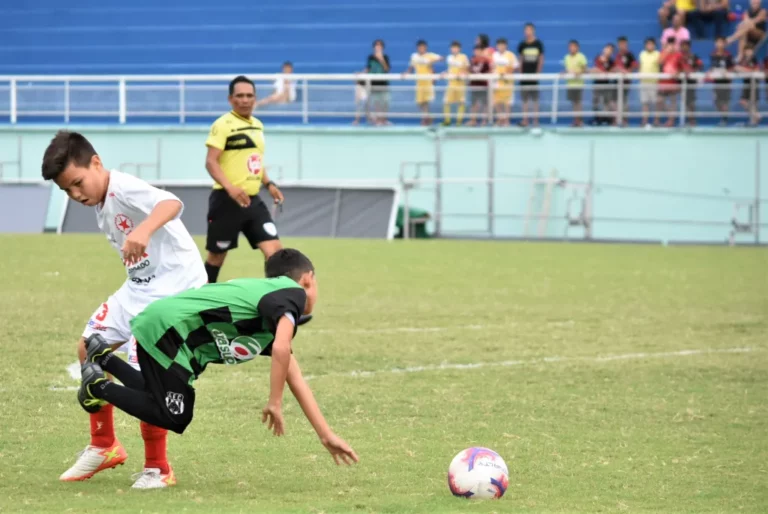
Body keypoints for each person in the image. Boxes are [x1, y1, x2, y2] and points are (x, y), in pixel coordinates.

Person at [77, 249, 360, 467]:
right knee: (176, 415)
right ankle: (97, 387)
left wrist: (325, 434)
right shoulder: (292, 294)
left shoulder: (265, 311)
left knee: (157, 396)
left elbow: (293, 375)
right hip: (168, 329)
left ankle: (104, 359)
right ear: (308, 278)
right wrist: (275, 402)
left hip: (169, 332)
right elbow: (281, 350)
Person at [42, 130, 208, 488]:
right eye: (66, 190)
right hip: (141, 287)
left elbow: (172, 203)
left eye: (77, 183)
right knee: (89, 346)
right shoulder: (100, 200)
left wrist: (145, 229)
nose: (75, 194)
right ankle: (104, 445)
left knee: (144, 368)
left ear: (97, 163)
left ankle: (158, 468)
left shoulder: (122, 187)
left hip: (176, 287)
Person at [204, 76, 284, 285]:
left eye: (249, 96)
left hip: (252, 200)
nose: (245, 100)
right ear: (231, 99)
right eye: (240, 96)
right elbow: (211, 162)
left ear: (255, 99)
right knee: (217, 257)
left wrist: (269, 184)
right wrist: (230, 188)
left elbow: (255, 161)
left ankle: (280, 305)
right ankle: (199, 303)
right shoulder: (223, 125)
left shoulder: (258, 126)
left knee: (275, 252)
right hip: (226, 201)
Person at [404, 40, 443, 125]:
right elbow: (411, 67)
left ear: (426, 48)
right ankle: (428, 118)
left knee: (426, 101)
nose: (421, 49)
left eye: (423, 47)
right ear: (417, 48)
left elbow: (442, 58)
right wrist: (406, 73)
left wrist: (432, 62)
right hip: (419, 83)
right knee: (419, 102)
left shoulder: (430, 55)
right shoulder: (414, 56)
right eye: (420, 47)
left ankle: (425, 119)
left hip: (428, 83)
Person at [517, 23, 545, 127]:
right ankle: (525, 120)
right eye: (526, 30)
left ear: (533, 31)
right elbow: (520, 59)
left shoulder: (538, 44)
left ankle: (536, 121)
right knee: (524, 99)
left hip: (534, 76)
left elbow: (541, 59)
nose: (528, 32)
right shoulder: (522, 45)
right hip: (524, 76)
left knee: (535, 99)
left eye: (530, 30)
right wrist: (520, 73)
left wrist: (538, 73)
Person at [362, 40, 392, 125]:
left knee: (385, 102)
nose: (378, 47)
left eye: (380, 46)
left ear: (382, 48)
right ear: (374, 47)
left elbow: (387, 69)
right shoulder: (370, 57)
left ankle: (384, 120)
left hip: (384, 84)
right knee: (376, 103)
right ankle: (378, 120)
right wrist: (361, 73)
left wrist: (381, 59)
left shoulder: (386, 57)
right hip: (374, 84)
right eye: (376, 45)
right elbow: (368, 68)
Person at [491, 38, 519, 126]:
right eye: (499, 45)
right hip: (496, 82)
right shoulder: (494, 55)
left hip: (507, 82)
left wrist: (508, 71)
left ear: (506, 46)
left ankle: (507, 120)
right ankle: (500, 118)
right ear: (497, 46)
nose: (501, 47)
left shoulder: (511, 55)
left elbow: (516, 67)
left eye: (503, 45)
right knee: (496, 101)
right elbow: (491, 66)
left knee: (507, 102)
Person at [442, 41, 469, 126]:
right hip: (451, 84)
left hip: (460, 84)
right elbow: (450, 69)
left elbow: (467, 68)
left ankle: (459, 121)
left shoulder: (463, 57)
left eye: (456, 48)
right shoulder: (449, 57)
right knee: (446, 102)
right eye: (453, 48)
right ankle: (447, 121)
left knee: (461, 102)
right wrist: (444, 72)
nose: (454, 49)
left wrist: (462, 73)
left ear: (459, 49)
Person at [709, 35, 735, 126]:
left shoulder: (728, 55)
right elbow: (712, 67)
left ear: (724, 44)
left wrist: (727, 72)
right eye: (717, 42)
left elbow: (732, 68)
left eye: (721, 42)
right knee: (716, 101)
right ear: (715, 44)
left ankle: (724, 120)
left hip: (726, 82)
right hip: (717, 82)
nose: (719, 44)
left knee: (725, 102)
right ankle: (723, 117)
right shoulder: (713, 54)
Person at [659, 37, 684, 127]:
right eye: (670, 43)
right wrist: (666, 52)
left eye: (673, 44)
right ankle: (670, 116)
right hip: (663, 82)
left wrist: (678, 72)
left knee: (673, 102)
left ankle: (671, 121)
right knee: (660, 100)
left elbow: (682, 68)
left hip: (673, 82)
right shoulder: (663, 53)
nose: (672, 46)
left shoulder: (678, 55)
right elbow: (659, 62)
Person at [562, 40, 588, 127]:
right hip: (570, 84)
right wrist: (563, 72)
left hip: (579, 84)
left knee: (578, 103)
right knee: (573, 103)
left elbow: (585, 69)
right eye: (570, 46)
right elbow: (568, 69)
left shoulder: (581, 57)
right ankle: (575, 120)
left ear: (577, 47)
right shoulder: (567, 57)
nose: (572, 48)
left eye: (574, 46)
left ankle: (580, 121)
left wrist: (579, 72)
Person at [614, 36, 638, 126]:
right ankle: (616, 120)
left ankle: (625, 120)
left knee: (624, 102)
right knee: (616, 102)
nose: (622, 46)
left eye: (624, 44)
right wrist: (619, 70)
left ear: (627, 44)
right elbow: (614, 66)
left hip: (626, 82)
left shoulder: (630, 55)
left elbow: (635, 65)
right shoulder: (616, 55)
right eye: (620, 44)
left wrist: (628, 71)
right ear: (618, 44)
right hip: (616, 82)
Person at [679, 40, 704, 126]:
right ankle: (685, 120)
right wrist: (682, 71)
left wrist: (692, 70)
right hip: (679, 82)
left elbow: (700, 66)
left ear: (689, 47)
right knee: (684, 102)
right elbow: (675, 67)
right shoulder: (678, 57)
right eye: (682, 46)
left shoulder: (693, 57)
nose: (684, 47)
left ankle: (692, 120)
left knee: (691, 102)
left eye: (686, 46)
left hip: (691, 83)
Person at [591, 43, 616, 126]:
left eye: (610, 50)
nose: (608, 51)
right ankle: (597, 118)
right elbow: (596, 69)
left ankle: (608, 119)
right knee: (596, 102)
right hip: (597, 84)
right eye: (607, 49)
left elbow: (612, 70)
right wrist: (601, 72)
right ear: (604, 49)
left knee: (607, 103)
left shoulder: (611, 62)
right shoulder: (598, 58)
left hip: (607, 85)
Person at [639, 37, 662, 127]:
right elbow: (640, 66)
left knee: (656, 103)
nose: (649, 45)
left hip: (654, 82)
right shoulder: (642, 54)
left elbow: (660, 65)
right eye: (647, 44)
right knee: (645, 103)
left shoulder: (657, 54)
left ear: (654, 45)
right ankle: (645, 121)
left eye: (651, 44)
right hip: (644, 82)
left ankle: (656, 120)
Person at [467, 45, 492, 126]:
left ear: (482, 52)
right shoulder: (472, 60)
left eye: (478, 51)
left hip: (483, 85)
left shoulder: (486, 61)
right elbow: (469, 70)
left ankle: (484, 121)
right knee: (474, 104)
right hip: (474, 84)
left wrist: (485, 77)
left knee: (484, 104)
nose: (477, 52)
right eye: (475, 51)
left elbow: (490, 71)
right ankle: (473, 120)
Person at [736, 45, 761, 125]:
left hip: (754, 83)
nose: (749, 52)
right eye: (747, 51)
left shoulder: (754, 59)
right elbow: (736, 68)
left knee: (753, 102)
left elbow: (756, 69)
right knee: (743, 101)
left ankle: (754, 121)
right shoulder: (743, 60)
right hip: (746, 83)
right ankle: (756, 116)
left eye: (750, 50)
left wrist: (744, 70)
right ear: (744, 52)